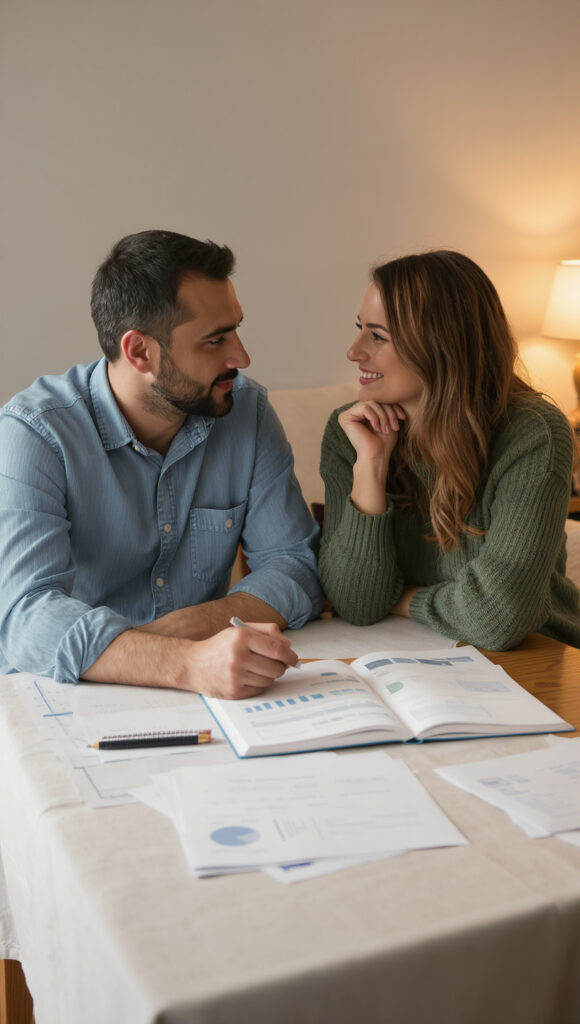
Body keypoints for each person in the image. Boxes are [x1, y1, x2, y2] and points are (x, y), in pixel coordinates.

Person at [0, 229, 324, 696]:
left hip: (212, 686)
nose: (242, 356)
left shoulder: (246, 413)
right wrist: (183, 663)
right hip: (69, 695)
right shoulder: (34, 433)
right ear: (139, 352)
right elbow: (26, 614)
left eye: (236, 328)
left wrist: (190, 628)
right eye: (216, 340)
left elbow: (293, 564)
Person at [319, 250, 580, 650]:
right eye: (360, 329)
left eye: (377, 335)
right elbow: (355, 604)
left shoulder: (534, 434)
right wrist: (371, 464)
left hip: (535, 662)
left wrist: (397, 597)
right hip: (411, 657)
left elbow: (499, 618)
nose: (354, 352)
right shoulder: (350, 432)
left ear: (440, 345)